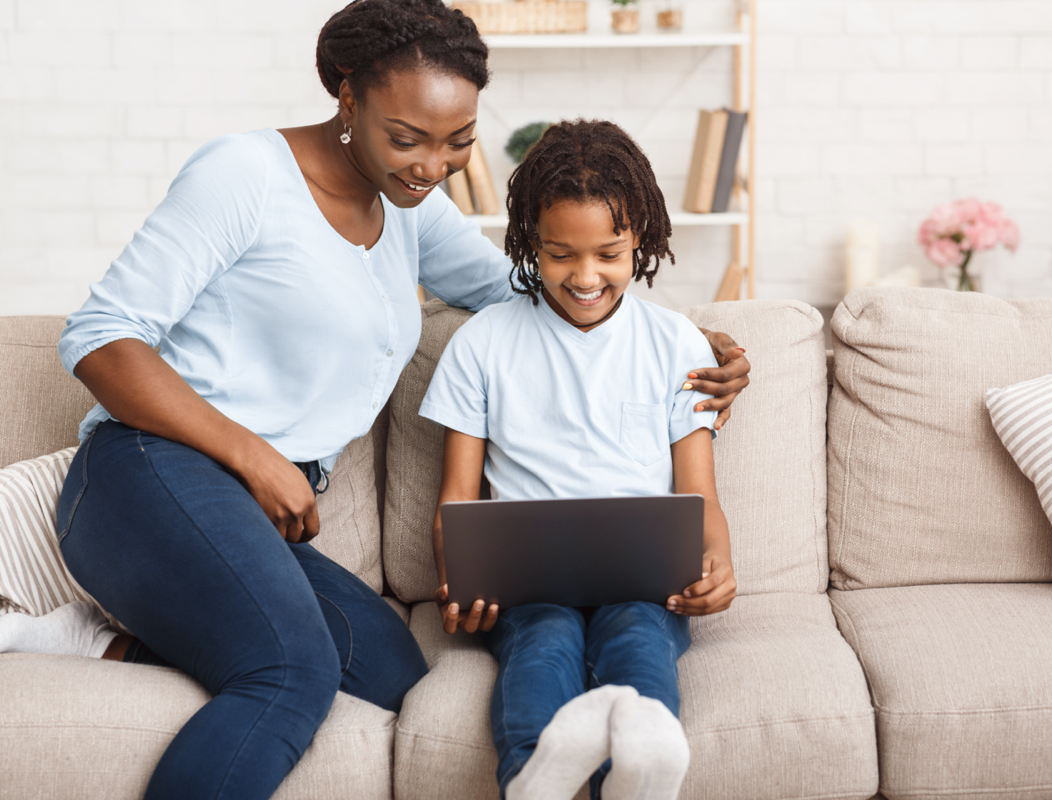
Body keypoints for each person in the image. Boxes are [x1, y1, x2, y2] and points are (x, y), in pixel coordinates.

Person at [0, 2, 750, 798]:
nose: (432, 164)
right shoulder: (245, 174)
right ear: (347, 97)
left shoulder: (410, 209)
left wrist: (699, 345)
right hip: (149, 471)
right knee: (290, 673)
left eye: (457, 140)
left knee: (394, 673)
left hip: (248, 514)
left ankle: (92, 640)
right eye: (407, 137)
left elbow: (539, 291)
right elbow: (101, 336)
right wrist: (252, 454)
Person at [420, 119, 738, 800]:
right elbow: (455, 497)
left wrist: (719, 563)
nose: (586, 276)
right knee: (545, 645)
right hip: (527, 587)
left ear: (641, 244)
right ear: (529, 244)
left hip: (645, 584)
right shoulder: (483, 344)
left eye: (609, 253)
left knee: (639, 642)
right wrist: (459, 580)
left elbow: (699, 493)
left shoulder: (674, 342)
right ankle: (536, 780)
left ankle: (641, 771)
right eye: (561, 254)